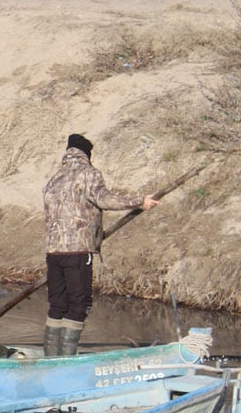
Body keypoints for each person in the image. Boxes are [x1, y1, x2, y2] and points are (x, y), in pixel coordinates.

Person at [42, 133, 160, 356]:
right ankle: (66, 358)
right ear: (87, 154)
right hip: (77, 251)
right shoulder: (89, 174)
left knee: (58, 305)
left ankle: (51, 357)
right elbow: (105, 199)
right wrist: (140, 201)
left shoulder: (55, 178)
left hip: (53, 252)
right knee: (79, 304)